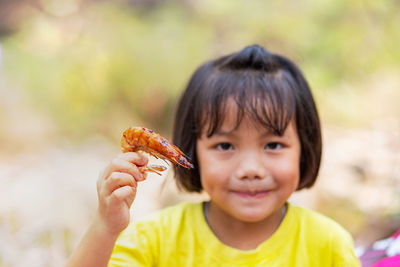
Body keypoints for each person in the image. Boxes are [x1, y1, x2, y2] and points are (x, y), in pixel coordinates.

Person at [66, 45, 360, 266]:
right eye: (225, 146)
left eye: (272, 145)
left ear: (305, 148)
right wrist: (106, 226)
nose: (250, 169)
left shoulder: (328, 245)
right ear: (194, 150)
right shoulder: (153, 240)